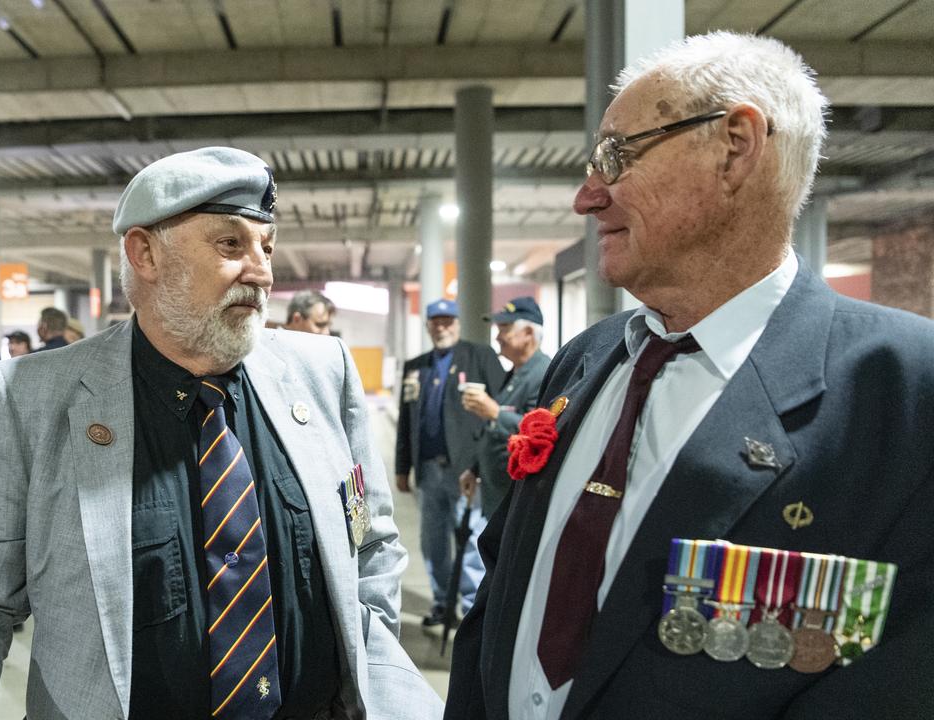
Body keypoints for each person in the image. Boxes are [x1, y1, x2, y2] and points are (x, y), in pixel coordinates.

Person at [446, 32, 934, 720]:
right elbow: (502, 596)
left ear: (736, 147)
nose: (587, 197)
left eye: (617, 155)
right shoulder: (587, 359)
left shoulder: (903, 388)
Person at [0, 147, 443, 720]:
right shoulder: (33, 398)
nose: (262, 272)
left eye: (266, 246)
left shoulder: (323, 373)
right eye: (230, 244)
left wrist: (380, 680)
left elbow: (369, 547)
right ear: (145, 253)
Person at [395, 299, 506, 627]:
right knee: (433, 542)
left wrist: (485, 463)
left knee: (471, 540)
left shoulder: (479, 356)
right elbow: (406, 420)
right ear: (428, 325)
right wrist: (403, 467)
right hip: (429, 469)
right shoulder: (416, 366)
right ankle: (443, 603)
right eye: (436, 321)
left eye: (448, 321)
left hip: (466, 470)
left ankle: (472, 607)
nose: (442, 327)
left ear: (457, 324)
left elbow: (501, 403)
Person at [457, 297, 552, 519]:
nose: (498, 337)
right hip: (498, 494)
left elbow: (539, 436)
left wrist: (495, 413)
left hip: (517, 499)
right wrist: (475, 469)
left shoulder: (543, 374)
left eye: (505, 329)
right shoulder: (516, 373)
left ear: (528, 333)